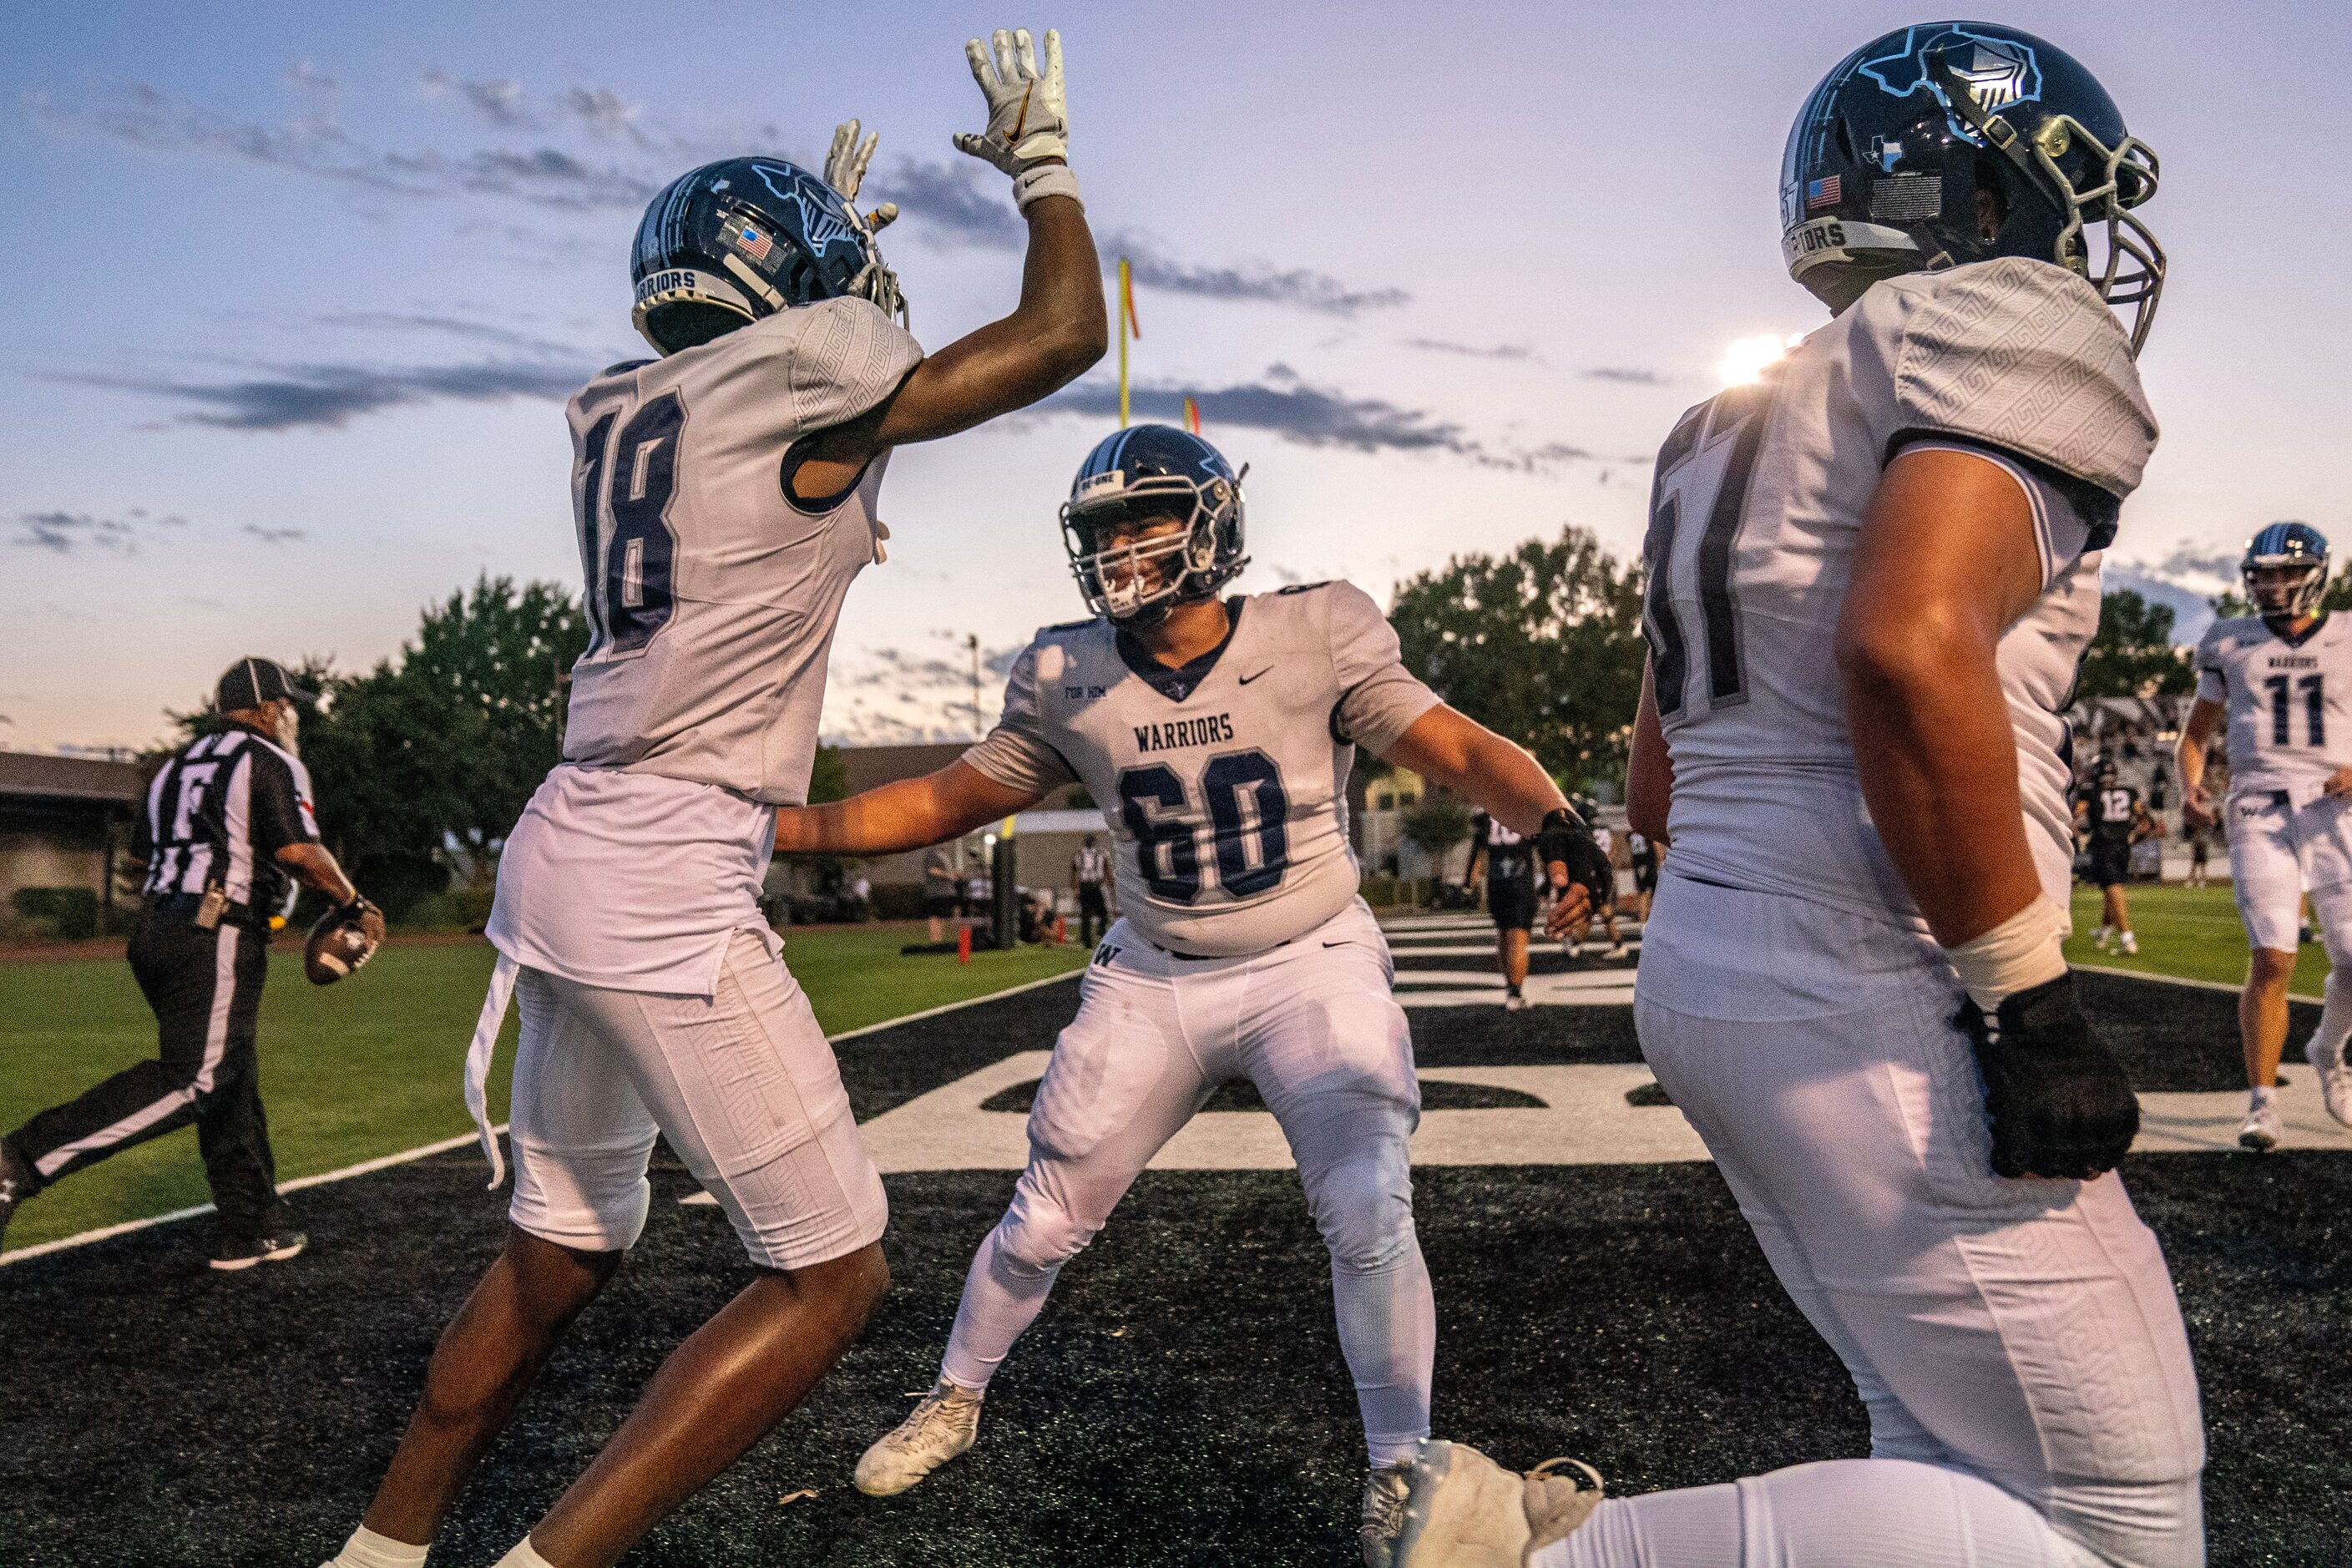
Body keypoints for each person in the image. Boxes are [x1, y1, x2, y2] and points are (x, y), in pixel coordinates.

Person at [1397, 23, 2204, 1567]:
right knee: (2117, 1518)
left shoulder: (1724, 422)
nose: (2085, 241)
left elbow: (1657, 785)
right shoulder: (2002, 327)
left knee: (1944, 1452)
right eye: (2069, 191)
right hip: (1876, 974)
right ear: (1985, 188)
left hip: (1713, 962)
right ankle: (1546, 1551)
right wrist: (2022, 997)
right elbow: (1904, 648)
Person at [315, 33, 1105, 1568]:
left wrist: (827, 287)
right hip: (667, 861)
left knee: (563, 1241)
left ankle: (383, 1545)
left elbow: (801, 452)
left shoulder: (633, 401)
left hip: (568, 839)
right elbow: (1060, 331)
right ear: (799, 304)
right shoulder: (808, 384)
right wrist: (1042, 168)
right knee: (834, 1271)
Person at [770, 424, 1609, 1566]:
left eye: (1145, 519)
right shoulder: (1067, 673)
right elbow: (941, 802)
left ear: (1213, 521)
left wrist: (1554, 820)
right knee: (1047, 1211)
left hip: (1309, 956)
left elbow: (1454, 746)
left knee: (1367, 1206)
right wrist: (775, 826)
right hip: (1155, 970)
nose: (1121, 548)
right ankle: (956, 1397)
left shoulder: (1317, 631)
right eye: (1104, 528)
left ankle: (1400, 1464)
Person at [0, 658, 380, 1267]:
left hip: (156, 930)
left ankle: (250, 1226)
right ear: (264, 709)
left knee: (229, 1074)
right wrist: (354, 903)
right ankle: (19, 1162)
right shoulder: (271, 761)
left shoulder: (173, 767)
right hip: (216, 931)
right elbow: (296, 850)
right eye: (287, 706)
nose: (292, 717)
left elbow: (142, 856)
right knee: (199, 1077)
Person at [2177, 522, 2352, 1151]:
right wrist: (2189, 785)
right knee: (2273, 957)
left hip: (2337, 807)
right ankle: (2262, 1104)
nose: (2270, 584)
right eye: (2262, 573)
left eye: (2282, 572)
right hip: (2258, 803)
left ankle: (2326, 1053)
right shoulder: (2228, 640)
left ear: (2313, 575)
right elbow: (2195, 735)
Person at [2075, 755, 2152, 954]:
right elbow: (2145, 819)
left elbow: (2075, 812)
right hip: (2123, 847)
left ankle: (2127, 939)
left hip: (2103, 844)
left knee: (2112, 887)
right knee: (2111, 889)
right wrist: (2136, 835)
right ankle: (2104, 932)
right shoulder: (2128, 792)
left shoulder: (2090, 792)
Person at [1466, 811, 1538, 1009]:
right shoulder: (1523, 818)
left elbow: (1475, 859)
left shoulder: (1485, 823)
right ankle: (1516, 992)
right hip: (1521, 885)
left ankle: (1510, 989)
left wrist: (1467, 886)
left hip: (1496, 886)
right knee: (1518, 939)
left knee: (1504, 936)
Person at [1071, 831, 1111, 946]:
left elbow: (1075, 873)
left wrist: (1076, 889)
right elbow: (1075, 872)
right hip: (1090, 886)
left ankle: (1091, 936)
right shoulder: (1084, 854)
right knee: (1091, 914)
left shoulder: (1098, 854)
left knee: (1094, 914)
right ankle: (1091, 937)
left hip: (1091, 886)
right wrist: (1076, 888)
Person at [923, 843, 959, 942]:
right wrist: (948, 875)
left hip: (946, 891)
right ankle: (935, 939)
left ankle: (939, 939)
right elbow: (932, 870)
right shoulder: (932, 854)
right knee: (934, 917)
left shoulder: (944, 854)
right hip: (935, 891)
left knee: (942, 916)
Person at [1626, 828, 1658, 923]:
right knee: (1654, 892)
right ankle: (1651, 919)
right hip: (1648, 863)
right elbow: (1655, 845)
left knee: (1643, 892)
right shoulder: (1646, 832)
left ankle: (1643, 921)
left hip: (1638, 864)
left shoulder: (1630, 834)